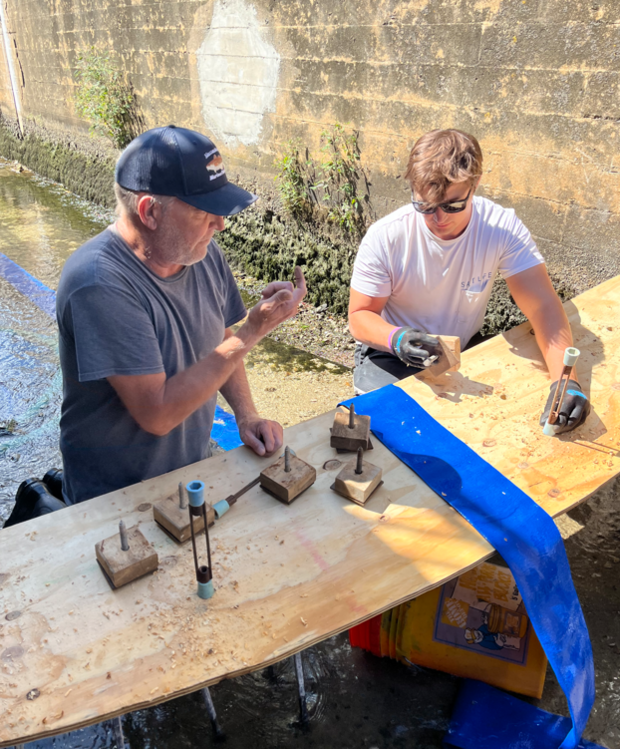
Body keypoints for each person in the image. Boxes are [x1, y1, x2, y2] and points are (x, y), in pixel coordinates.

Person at [55, 125, 306, 505]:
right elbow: (157, 413)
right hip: (112, 497)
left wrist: (246, 415)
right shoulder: (98, 283)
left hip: (189, 472)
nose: (220, 224)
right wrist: (253, 331)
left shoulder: (201, 253)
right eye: (206, 212)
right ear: (150, 211)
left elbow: (220, 342)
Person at [348, 128, 589, 434]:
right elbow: (359, 317)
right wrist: (397, 338)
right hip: (391, 350)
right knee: (398, 431)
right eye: (424, 206)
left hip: (459, 349)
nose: (438, 219)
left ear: (474, 184)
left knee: (491, 428)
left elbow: (542, 306)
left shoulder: (500, 228)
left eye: (452, 206)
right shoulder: (386, 237)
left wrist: (566, 380)